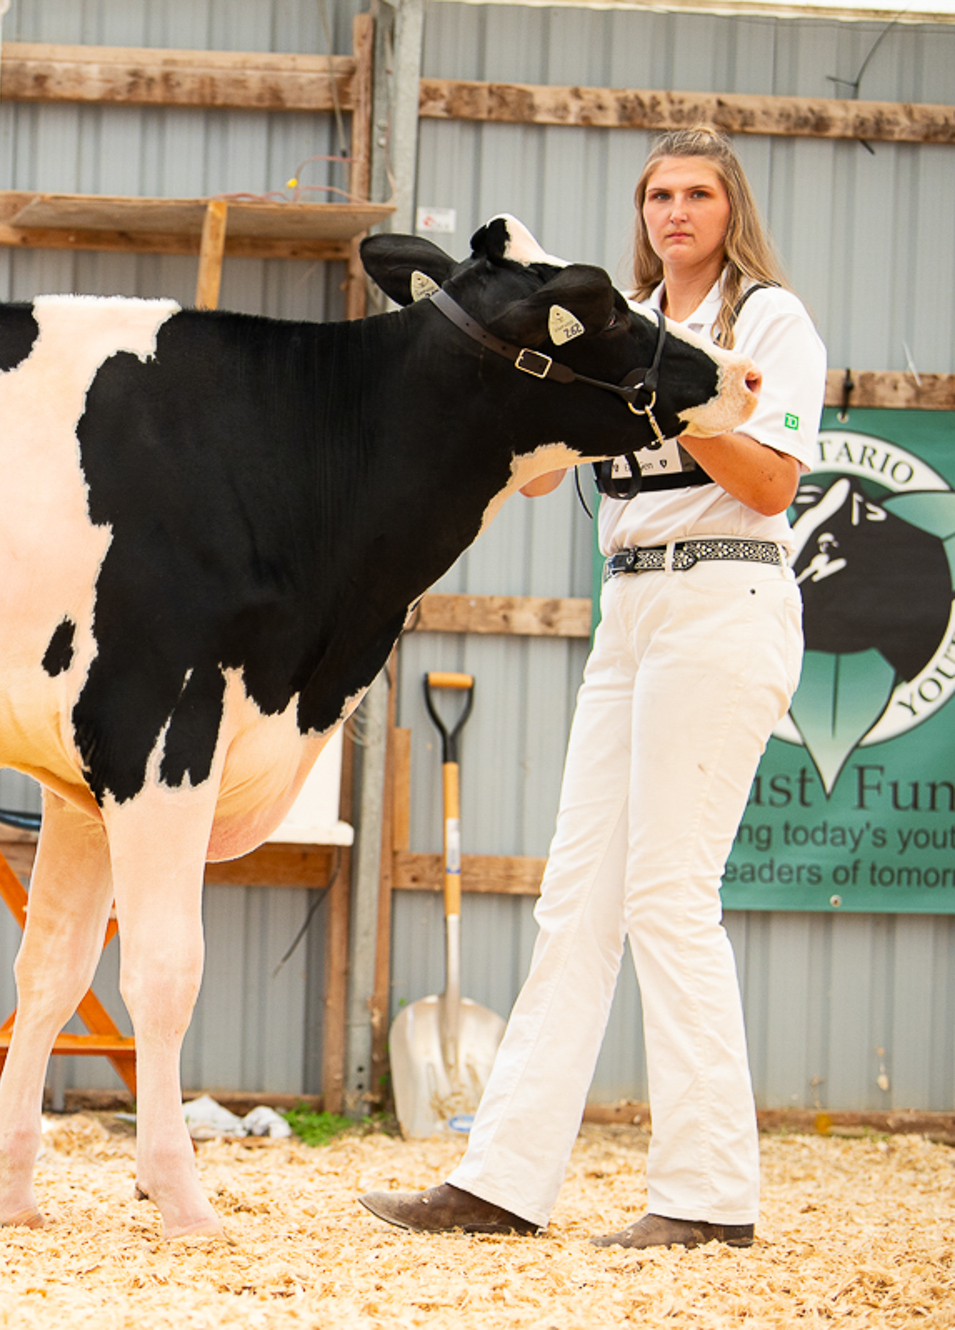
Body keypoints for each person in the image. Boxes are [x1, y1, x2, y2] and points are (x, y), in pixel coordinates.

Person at [360, 126, 827, 1249]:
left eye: (698, 194)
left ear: (730, 209)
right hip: (628, 607)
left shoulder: (766, 321)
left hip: (725, 595)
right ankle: (499, 1182)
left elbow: (770, 485)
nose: (676, 212)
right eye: (660, 194)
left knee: (668, 898)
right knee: (574, 902)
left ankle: (708, 1197)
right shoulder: (619, 321)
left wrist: (667, 398)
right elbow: (537, 480)